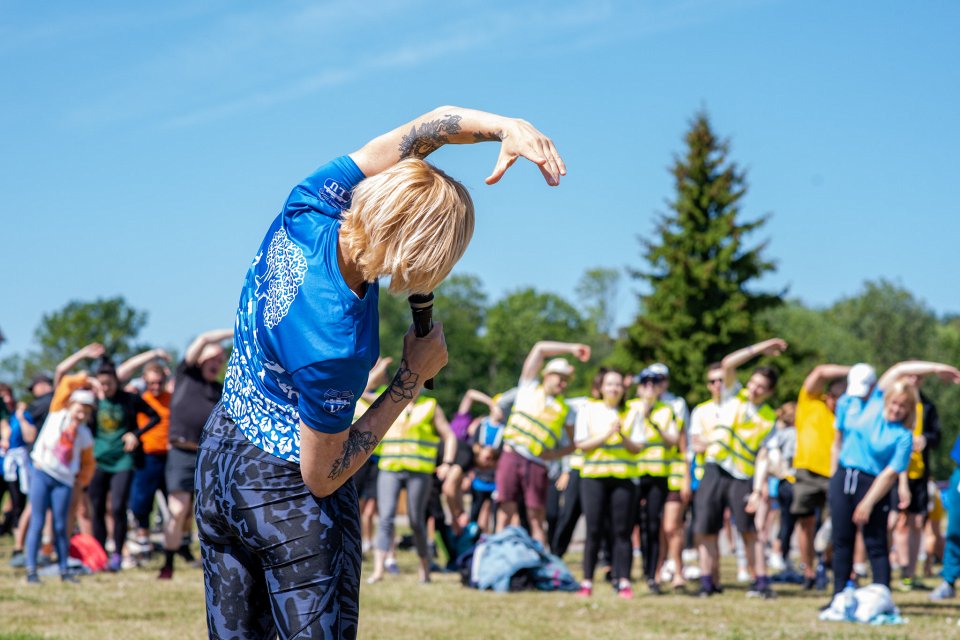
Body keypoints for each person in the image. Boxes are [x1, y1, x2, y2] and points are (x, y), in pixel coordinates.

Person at [195, 106, 563, 639]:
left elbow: (425, 129)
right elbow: (323, 472)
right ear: (420, 251)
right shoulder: (334, 342)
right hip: (284, 494)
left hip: (220, 456)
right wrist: (410, 379)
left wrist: (505, 128)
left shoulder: (312, 202)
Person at [828, 360, 960, 600]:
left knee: (876, 540)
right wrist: (935, 368)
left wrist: (868, 502)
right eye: (895, 403)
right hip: (844, 476)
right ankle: (839, 596)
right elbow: (899, 369)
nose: (896, 409)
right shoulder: (873, 405)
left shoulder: (903, 437)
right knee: (841, 539)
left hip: (873, 483)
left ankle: (882, 596)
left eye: (903, 406)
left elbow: (890, 472)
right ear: (886, 400)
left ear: (910, 411)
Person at [692, 337, 787, 599]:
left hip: (743, 477)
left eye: (761, 387)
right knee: (706, 528)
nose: (755, 389)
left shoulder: (768, 418)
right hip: (715, 468)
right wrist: (760, 348)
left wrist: (758, 490)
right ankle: (707, 581)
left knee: (749, 530)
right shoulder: (733, 395)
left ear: (769, 392)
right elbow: (728, 363)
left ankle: (761, 581)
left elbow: (763, 457)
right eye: (754, 383)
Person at [496, 341, 589, 545]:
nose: (563, 383)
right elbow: (539, 348)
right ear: (547, 374)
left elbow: (575, 444)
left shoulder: (565, 410)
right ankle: (496, 559)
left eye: (567, 380)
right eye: (560, 377)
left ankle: (540, 563)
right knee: (505, 511)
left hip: (538, 464)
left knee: (536, 517)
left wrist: (554, 455)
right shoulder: (528, 386)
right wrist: (571, 349)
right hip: (512, 455)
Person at [159, 330, 231, 580]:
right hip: (180, 451)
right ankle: (167, 565)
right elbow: (201, 339)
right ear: (201, 359)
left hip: (207, 455)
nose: (217, 363)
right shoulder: (186, 375)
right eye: (214, 358)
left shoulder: (219, 390)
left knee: (209, 511)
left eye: (221, 360)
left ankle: (210, 562)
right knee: (177, 510)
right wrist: (234, 331)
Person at [368, 390, 457, 583]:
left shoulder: (430, 406)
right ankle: (378, 571)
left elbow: (450, 436)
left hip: (419, 471)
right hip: (390, 467)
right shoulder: (391, 398)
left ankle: (424, 569)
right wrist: (378, 368)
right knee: (385, 518)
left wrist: (448, 463)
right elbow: (363, 392)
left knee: (417, 521)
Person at [87, 359, 161, 571]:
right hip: (100, 459)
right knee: (97, 506)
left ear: (116, 382)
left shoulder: (129, 399)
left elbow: (154, 417)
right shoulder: (94, 402)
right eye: (101, 383)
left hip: (124, 459)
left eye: (108, 383)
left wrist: (136, 435)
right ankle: (99, 555)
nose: (105, 387)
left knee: (118, 506)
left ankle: (118, 554)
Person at [24, 389, 96, 584]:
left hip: (64, 481)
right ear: (70, 404)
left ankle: (64, 569)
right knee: (37, 522)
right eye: (79, 409)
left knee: (61, 525)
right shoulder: (56, 415)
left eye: (87, 412)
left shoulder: (84, 434)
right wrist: (87, 380)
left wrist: (81, 481)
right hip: (43, 473)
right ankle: (31, 569)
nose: (81, 415)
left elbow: (89, 462)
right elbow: (66, 383)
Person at [575, 369, 636, 598]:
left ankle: (623, 581)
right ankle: (587, 581)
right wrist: (607, 433)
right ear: (601, 387)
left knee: (622, 532)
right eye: (609, 384)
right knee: (593, 530)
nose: (613, 388)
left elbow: (637, 447)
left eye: (618, 384)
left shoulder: (632, 412)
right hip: (594, 477)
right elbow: (582, 444)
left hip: (623, 478)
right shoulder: (588, 409)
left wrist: (622, 436)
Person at [791, 363, 850, 590]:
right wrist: (853, 370)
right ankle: (807, 569)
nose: (837, 401)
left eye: (843, 397)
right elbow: (820, 372)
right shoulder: (810, 403)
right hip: (807, 471)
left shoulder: (849, 415)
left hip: (836, 474)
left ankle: (826, 563)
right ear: (826, 396)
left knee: (836, 524)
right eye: (834, 395)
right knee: (805, 522)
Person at [627, 367, 679, 594]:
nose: (650, 387)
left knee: (652, 526)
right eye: (645, 383)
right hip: (632, 473)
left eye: (654, 383)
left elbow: (673, 441)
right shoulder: (628, 408)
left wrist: (653, 422)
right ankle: (623, 574)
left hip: (657, 475)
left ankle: (652, 575)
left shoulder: (667, 410)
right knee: (627, 525)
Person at [118, 350, 173, 560]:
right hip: (146, 457)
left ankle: (175, 544)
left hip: (169, 457)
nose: (155, 387)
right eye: (151, 383)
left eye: (159, 382)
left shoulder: (172, 399)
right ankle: (144, 543)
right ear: (145, 382)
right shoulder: (140, 400)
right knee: (141, 503)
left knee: (175, 503)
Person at [889, 372, 941, 591]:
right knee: (894, 522)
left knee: (916, 523)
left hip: (918, 473)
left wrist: (925, 439)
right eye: (910, 377)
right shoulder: (894, 404)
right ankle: (889, 567)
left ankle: (909, 574)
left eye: (918, 378)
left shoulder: (927, 407)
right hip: (893, 472)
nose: (914, 381)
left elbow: (937, 437)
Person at [766, 402, 797, 576]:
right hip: (790, 481)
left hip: (784, 483)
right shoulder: (791, 434)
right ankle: (779, 553)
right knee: (788, 522)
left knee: (786, 521)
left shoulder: (780, 433)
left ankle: (782, 554)